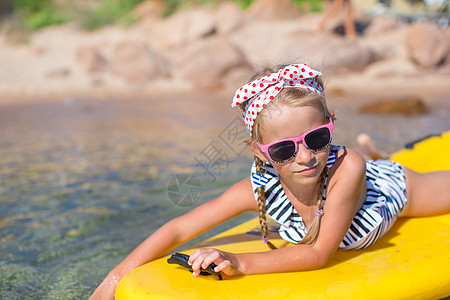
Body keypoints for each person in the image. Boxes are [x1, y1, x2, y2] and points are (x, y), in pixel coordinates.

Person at [90, 63, 450, 299]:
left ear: (331, 125)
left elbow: (318, 253)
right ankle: (378, 151)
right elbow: (180, 229)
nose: (306, 156)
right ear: (259, 151)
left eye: (317, 138)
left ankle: (376, 156)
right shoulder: (259, 190)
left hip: (390, 191)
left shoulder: (346, 168)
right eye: (283, 150)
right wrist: (115, 277)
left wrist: (238, 261)